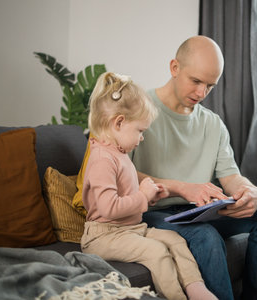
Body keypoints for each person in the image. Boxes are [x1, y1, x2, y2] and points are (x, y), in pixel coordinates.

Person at [130, 36, 257, 300]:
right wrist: (181, 187)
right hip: (153, 213)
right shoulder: (139, 109)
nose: (202, 93)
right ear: (174, 67)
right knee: (205, 236)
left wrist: (250, 192)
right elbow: (122, 175)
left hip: (199, 211)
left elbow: (231, 177)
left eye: (210, 86)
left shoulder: (213, 124)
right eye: (196, 81)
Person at [80, 71, 217, 300]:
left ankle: (196, 289)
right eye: (140, 131)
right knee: (156, 251)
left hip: (129, 230)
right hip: (103, 236)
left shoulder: (120, 153)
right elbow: (108, 208)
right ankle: (176, 297)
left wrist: (151, 196)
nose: (142, 138)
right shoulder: (102, 158)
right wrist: (142, 197)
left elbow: (128, 197)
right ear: (119, 122)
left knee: (175, 240)